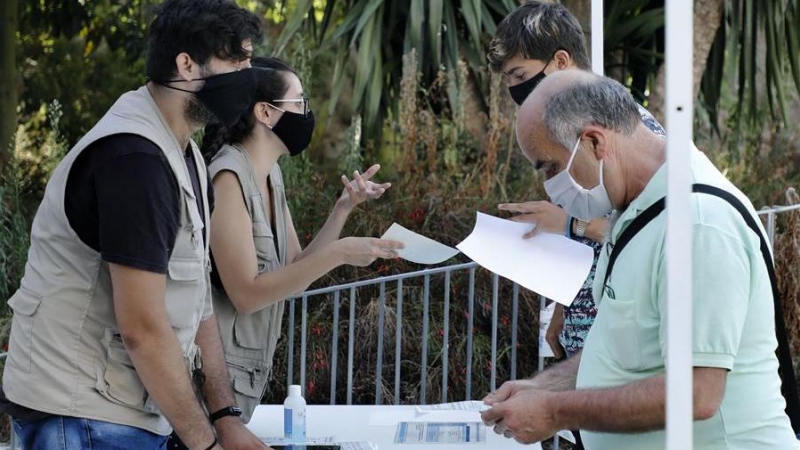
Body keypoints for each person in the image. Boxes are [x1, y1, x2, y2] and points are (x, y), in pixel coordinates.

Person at [481, 69, 800, 449]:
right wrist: (543, 385)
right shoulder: (636, 209)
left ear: (595, 141)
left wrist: (554, 411)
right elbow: (619, 347)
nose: (549, 186)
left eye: (551, 166)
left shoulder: (698, 223)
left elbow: (697, 394)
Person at [1, 1, 271, 449]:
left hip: (118, 413)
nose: (248, 74)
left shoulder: (183, 156)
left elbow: (197, 300)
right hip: (81, 417)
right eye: (236, 60)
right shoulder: (135, 160)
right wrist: (204, 444)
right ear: (186, 64)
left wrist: (225, 417)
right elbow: (142, 328)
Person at [199, 57, 404, 423]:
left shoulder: (270, 175)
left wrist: (342, 209)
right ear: (265, 112)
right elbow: (246, 294)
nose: (307, 113)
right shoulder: (227, 179)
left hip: (244, 382)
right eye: (300, 102)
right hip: (213, 390)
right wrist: (341, 252)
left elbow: (295, 270)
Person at [487, 1, 665, 361]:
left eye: (521, 76)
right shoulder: (563, 131)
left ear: (561, 62)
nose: (516, 92)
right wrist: (561, 310)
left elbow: (651, 228)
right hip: (584, 330)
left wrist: (571, 224)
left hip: (619, 335)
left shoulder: (628, 130)